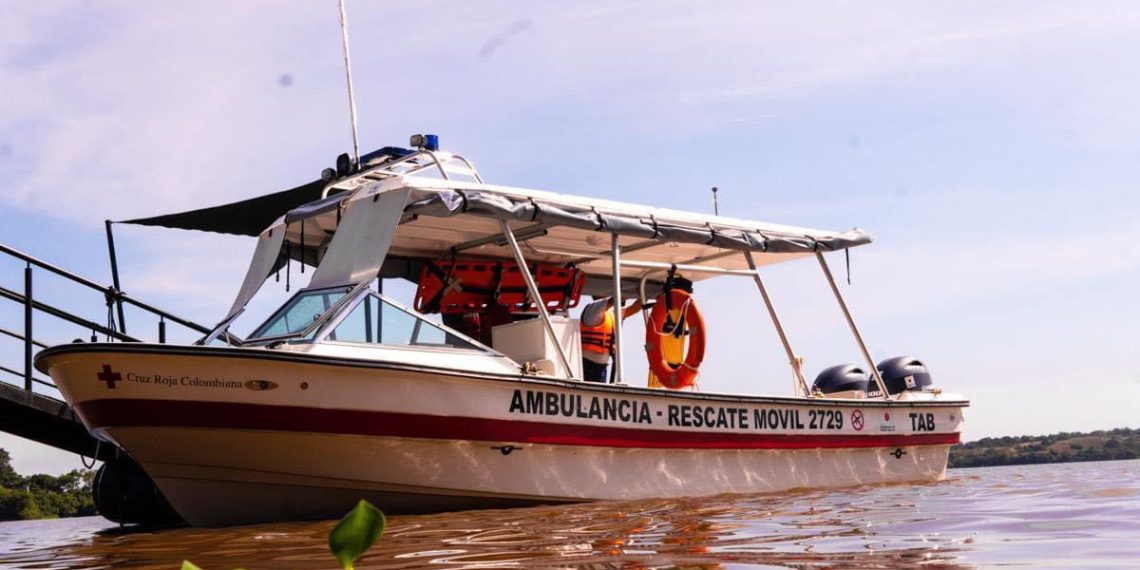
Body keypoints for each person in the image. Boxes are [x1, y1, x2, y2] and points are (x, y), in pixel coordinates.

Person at [579, 296, 642, 382]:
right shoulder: (593, 309)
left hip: (601, 368)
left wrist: (644, 295)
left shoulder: (612, 312)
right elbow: (612, 301)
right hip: (587, 366)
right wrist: (627, 292)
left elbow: (632, 309)